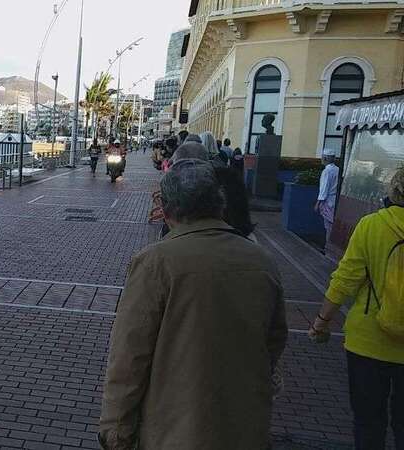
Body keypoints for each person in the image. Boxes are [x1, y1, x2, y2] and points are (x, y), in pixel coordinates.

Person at [99, 159, 287, 450]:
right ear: (219, 204)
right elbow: (274, 340)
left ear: (167, 210)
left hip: (176, 429)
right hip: (246, 427)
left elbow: (129, 355)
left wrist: (116, 431)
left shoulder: (155, 263)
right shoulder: (262, 261)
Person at [309, 167, 404, 449]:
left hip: (368, 342)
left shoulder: (372, 225)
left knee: (368, 422)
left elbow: (345, 280)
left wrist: (321, 321)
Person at [315, 148, 339, 244]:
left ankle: (328, 246)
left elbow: (324, 189)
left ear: (325, 158)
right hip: (335, 200)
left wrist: (318, 203)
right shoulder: (338, 170)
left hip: (328, 202)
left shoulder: (327, 171)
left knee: (328, 226)